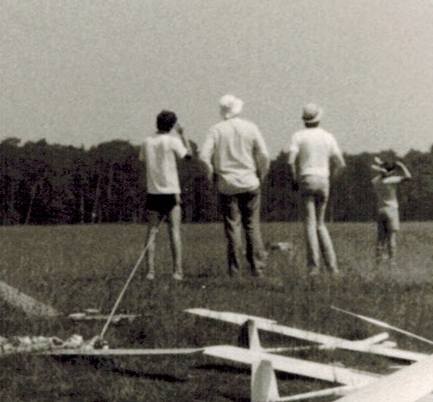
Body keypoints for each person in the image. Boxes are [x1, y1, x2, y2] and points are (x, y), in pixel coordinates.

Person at [199, 94, 270, 277]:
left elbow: (203, 156)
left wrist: (210, 176)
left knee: (233, 227)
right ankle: (257, 267)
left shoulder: (216, 130)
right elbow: (263, 154)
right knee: (252, 225)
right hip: (249, 181)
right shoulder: (250, 127)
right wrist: (262, 174)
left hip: (226, 184)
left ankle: (235, 270)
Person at [286, 103, 345, 274]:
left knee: (310, 224)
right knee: (321, 224)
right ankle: (332, 267)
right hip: (323, 179)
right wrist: (330, 179)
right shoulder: (328, 137)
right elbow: (340, 164)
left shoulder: (298, 136)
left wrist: (295, 180)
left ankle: (313, 267)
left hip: (306, 178)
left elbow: (290, 161)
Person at [140, 109, 192, 280]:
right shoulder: (173, 140)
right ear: (171, 125)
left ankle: (150, 271)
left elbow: (142, 159)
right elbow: (188, 155)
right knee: (174, 231)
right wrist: (183, 135)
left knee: (152, 232)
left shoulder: (147, 141)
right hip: (171, 191)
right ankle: (177, 271)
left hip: (153, 191)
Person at [371, 155, 412, 262]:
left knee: (380, 238)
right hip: (392, 210)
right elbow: (408, 176)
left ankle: (378, 259)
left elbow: (380, 175)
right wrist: (401, 166)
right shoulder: (391, 180)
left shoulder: (375, 181)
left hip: (380, 210)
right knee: (391, 237)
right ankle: (392, 260)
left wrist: (381, 167)